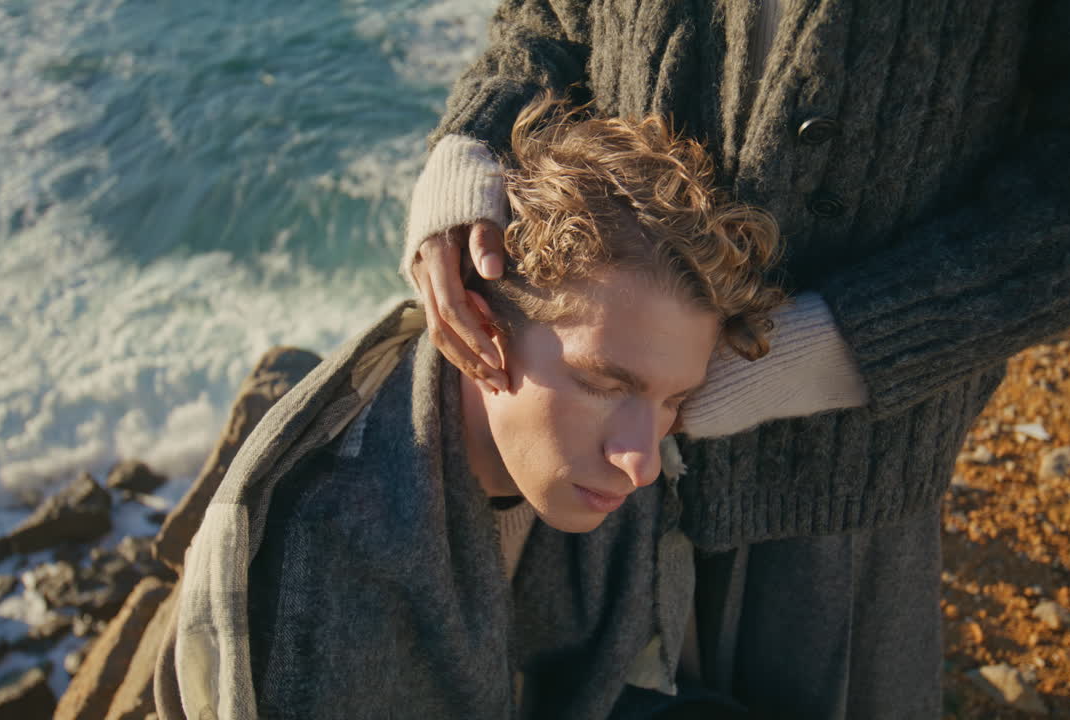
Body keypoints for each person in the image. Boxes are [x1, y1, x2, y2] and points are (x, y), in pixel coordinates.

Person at [404, 1, 1070, 717]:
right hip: (583, 483)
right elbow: (547, 16)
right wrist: (471, 143)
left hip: (850, 484)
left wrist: (844, 342)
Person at [153, 94, 785, 720]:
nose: (642, 463)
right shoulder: (328, 552)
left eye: (674, 399)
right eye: (604, 384)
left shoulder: (612, 473)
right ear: (479, 332)